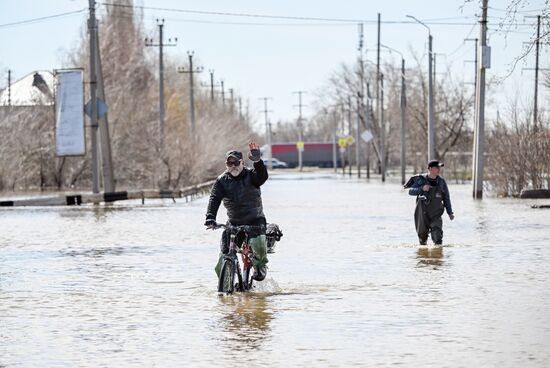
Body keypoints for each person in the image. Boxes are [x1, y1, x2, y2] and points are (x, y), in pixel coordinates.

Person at [204, 142, 269, 281]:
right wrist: (210, 218)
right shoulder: (222, 181)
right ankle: (225, 282)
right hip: (234, 223)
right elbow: (214, 199)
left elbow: (262, 176)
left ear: (242, 162)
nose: (233, 166)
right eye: (229, 164)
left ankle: (260, 266)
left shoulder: (252, 175)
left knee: (259, 246)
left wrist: (257, 161)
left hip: (255, 220)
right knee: (224, 255)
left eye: (236, 163)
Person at [404, 160, 454, 245]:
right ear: (430, 169)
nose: (439, 169)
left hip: (436, 213)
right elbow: (410, 191)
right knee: (422, 239)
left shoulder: (442, 182)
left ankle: (437, 256)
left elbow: (446, 198)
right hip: (422, 213)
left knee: (438, 237)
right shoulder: (420, 180)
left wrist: (450, 212)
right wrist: (422, 188)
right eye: (436, 167)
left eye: (439, 167)